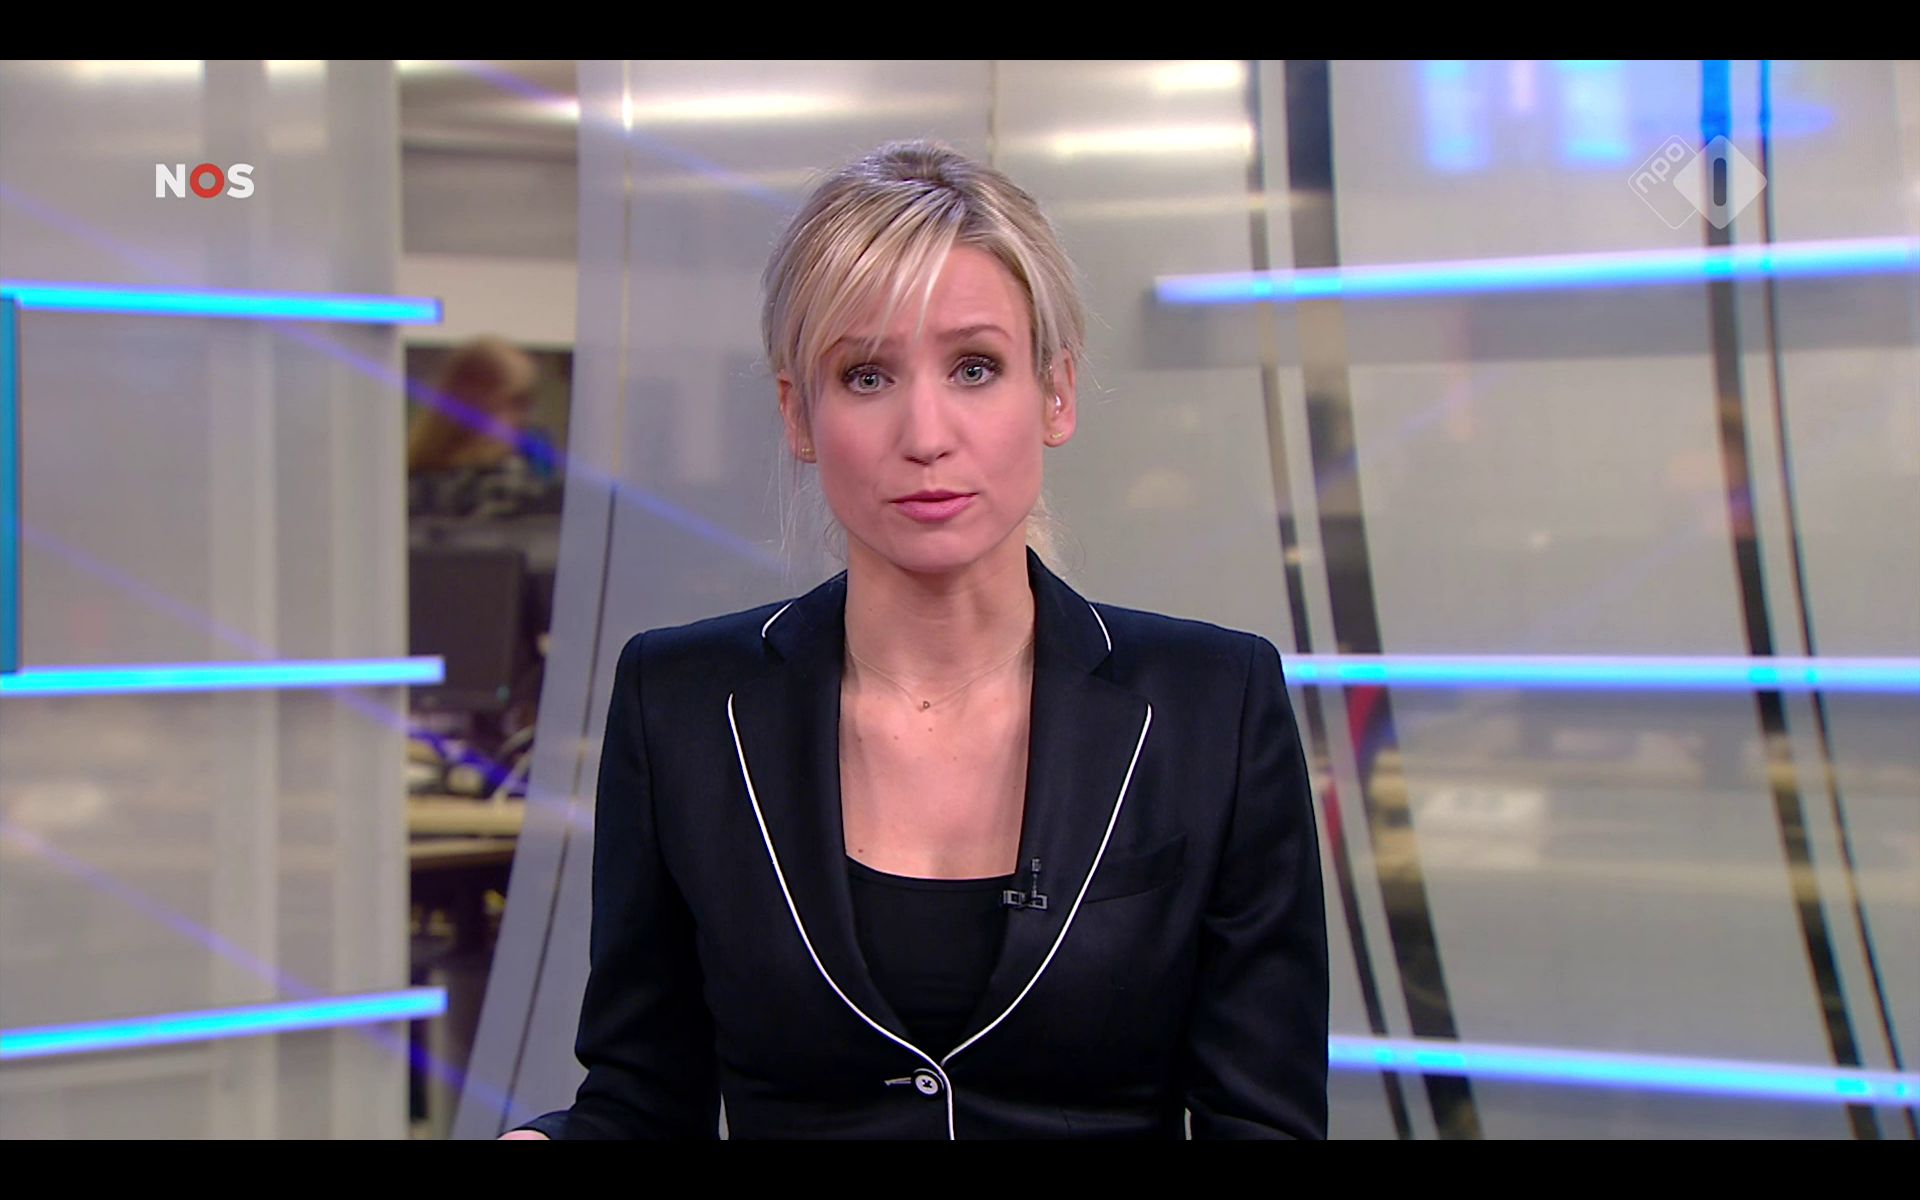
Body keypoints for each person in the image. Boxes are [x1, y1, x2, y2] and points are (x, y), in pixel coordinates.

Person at [501, 140, 1327, 1140]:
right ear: (798, 414)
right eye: (866, 376)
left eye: (975, 367)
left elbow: (1263, 1121)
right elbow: (642, 1099)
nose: (926, 433)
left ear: (1055, 392)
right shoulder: (680, 705)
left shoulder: (1214, 706)